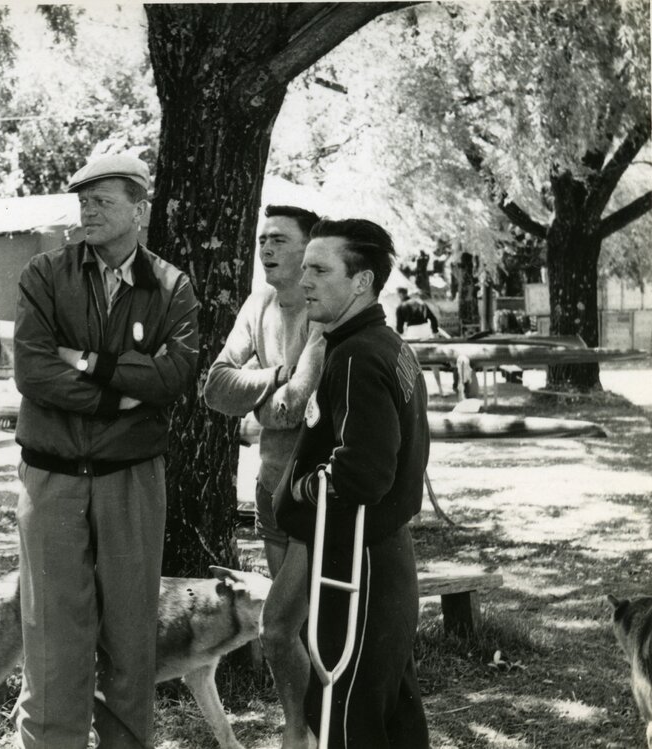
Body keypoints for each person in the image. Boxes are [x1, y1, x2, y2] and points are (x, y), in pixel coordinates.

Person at [13, 153, 199, 749]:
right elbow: (33, 372)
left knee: (131, 635)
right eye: (83, 201)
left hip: (132, 477)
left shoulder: (171, 286)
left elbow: (174, 377)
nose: (87, 211)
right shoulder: (46, 273)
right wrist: (118, 396)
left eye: (102, 201)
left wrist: (87, 362)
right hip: (52, 477)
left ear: (139, 210)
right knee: (51, 635)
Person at [274, 218, 430, 749]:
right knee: (393, 715)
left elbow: (362, 475)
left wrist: (301, 488)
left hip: (359, 561)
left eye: (320, 270)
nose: (304, 280)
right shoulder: (387, 344)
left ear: (361, 281)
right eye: (305, 268)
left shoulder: (356, 356)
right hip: (387, 555)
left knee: (348, 719)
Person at [203, 204, 325, 748]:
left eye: (279, 239)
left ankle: (315, 731)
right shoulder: (258, 304)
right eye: (262, 239)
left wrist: (255, 396)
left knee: (288, 626)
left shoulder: (324, 310)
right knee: (287, 629)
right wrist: (275, 375)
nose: (267, 249)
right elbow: (214, 388)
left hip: (317, 493)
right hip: (272, 487)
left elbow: (290, 411)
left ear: (309, 249)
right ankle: (301, 729)